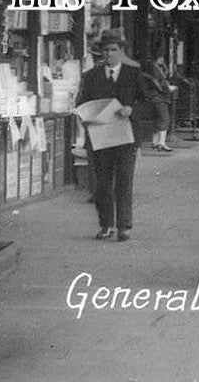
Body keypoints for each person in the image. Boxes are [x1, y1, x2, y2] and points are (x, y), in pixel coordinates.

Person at [76, 29, 150, 241]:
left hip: (125, 138)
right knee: (102, 183)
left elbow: (148, 104)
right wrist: (88, 115)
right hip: (100, 137)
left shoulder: (134, 75)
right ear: (100, 52)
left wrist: (132, 110)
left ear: (121, 51)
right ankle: (106, 225)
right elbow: (81, 103)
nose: (109, 54)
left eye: (114, 50)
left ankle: (124, 227)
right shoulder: (90, 77)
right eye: (106, 50)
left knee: (124, 181)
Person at [146, 58, 174, 152]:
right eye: (161, 58)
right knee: (164, 119)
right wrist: (168, 88)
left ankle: (154, 142)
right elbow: (160, 84)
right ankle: (161, 143)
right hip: (160, 98)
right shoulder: (156, 70)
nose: (162, 60)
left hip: (151, 98)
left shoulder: (148, 70)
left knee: (157, 119)